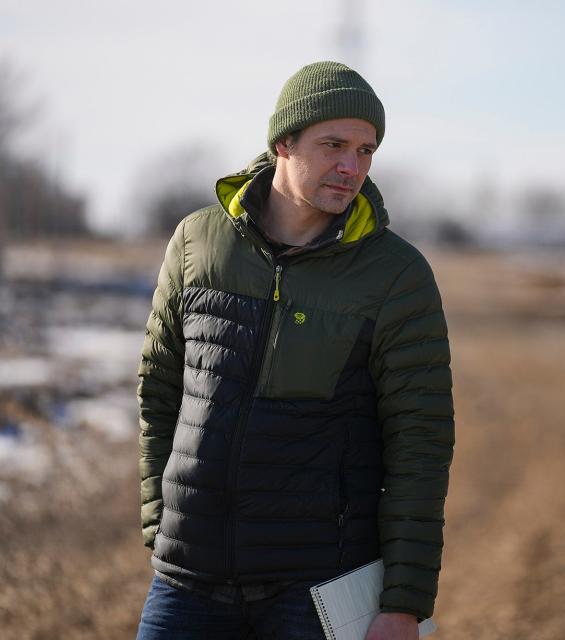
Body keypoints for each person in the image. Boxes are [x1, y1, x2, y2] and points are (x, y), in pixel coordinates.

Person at [136, 61, 454, 640]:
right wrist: (161, 518)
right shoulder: (197, 241)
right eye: (333, 144)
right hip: (186, 582)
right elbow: (160, 390)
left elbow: (421, 442)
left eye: (365, 150)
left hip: (315, 590)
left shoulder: (395, 274)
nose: (350, 167)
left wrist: (404, 601)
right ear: (283, 141)